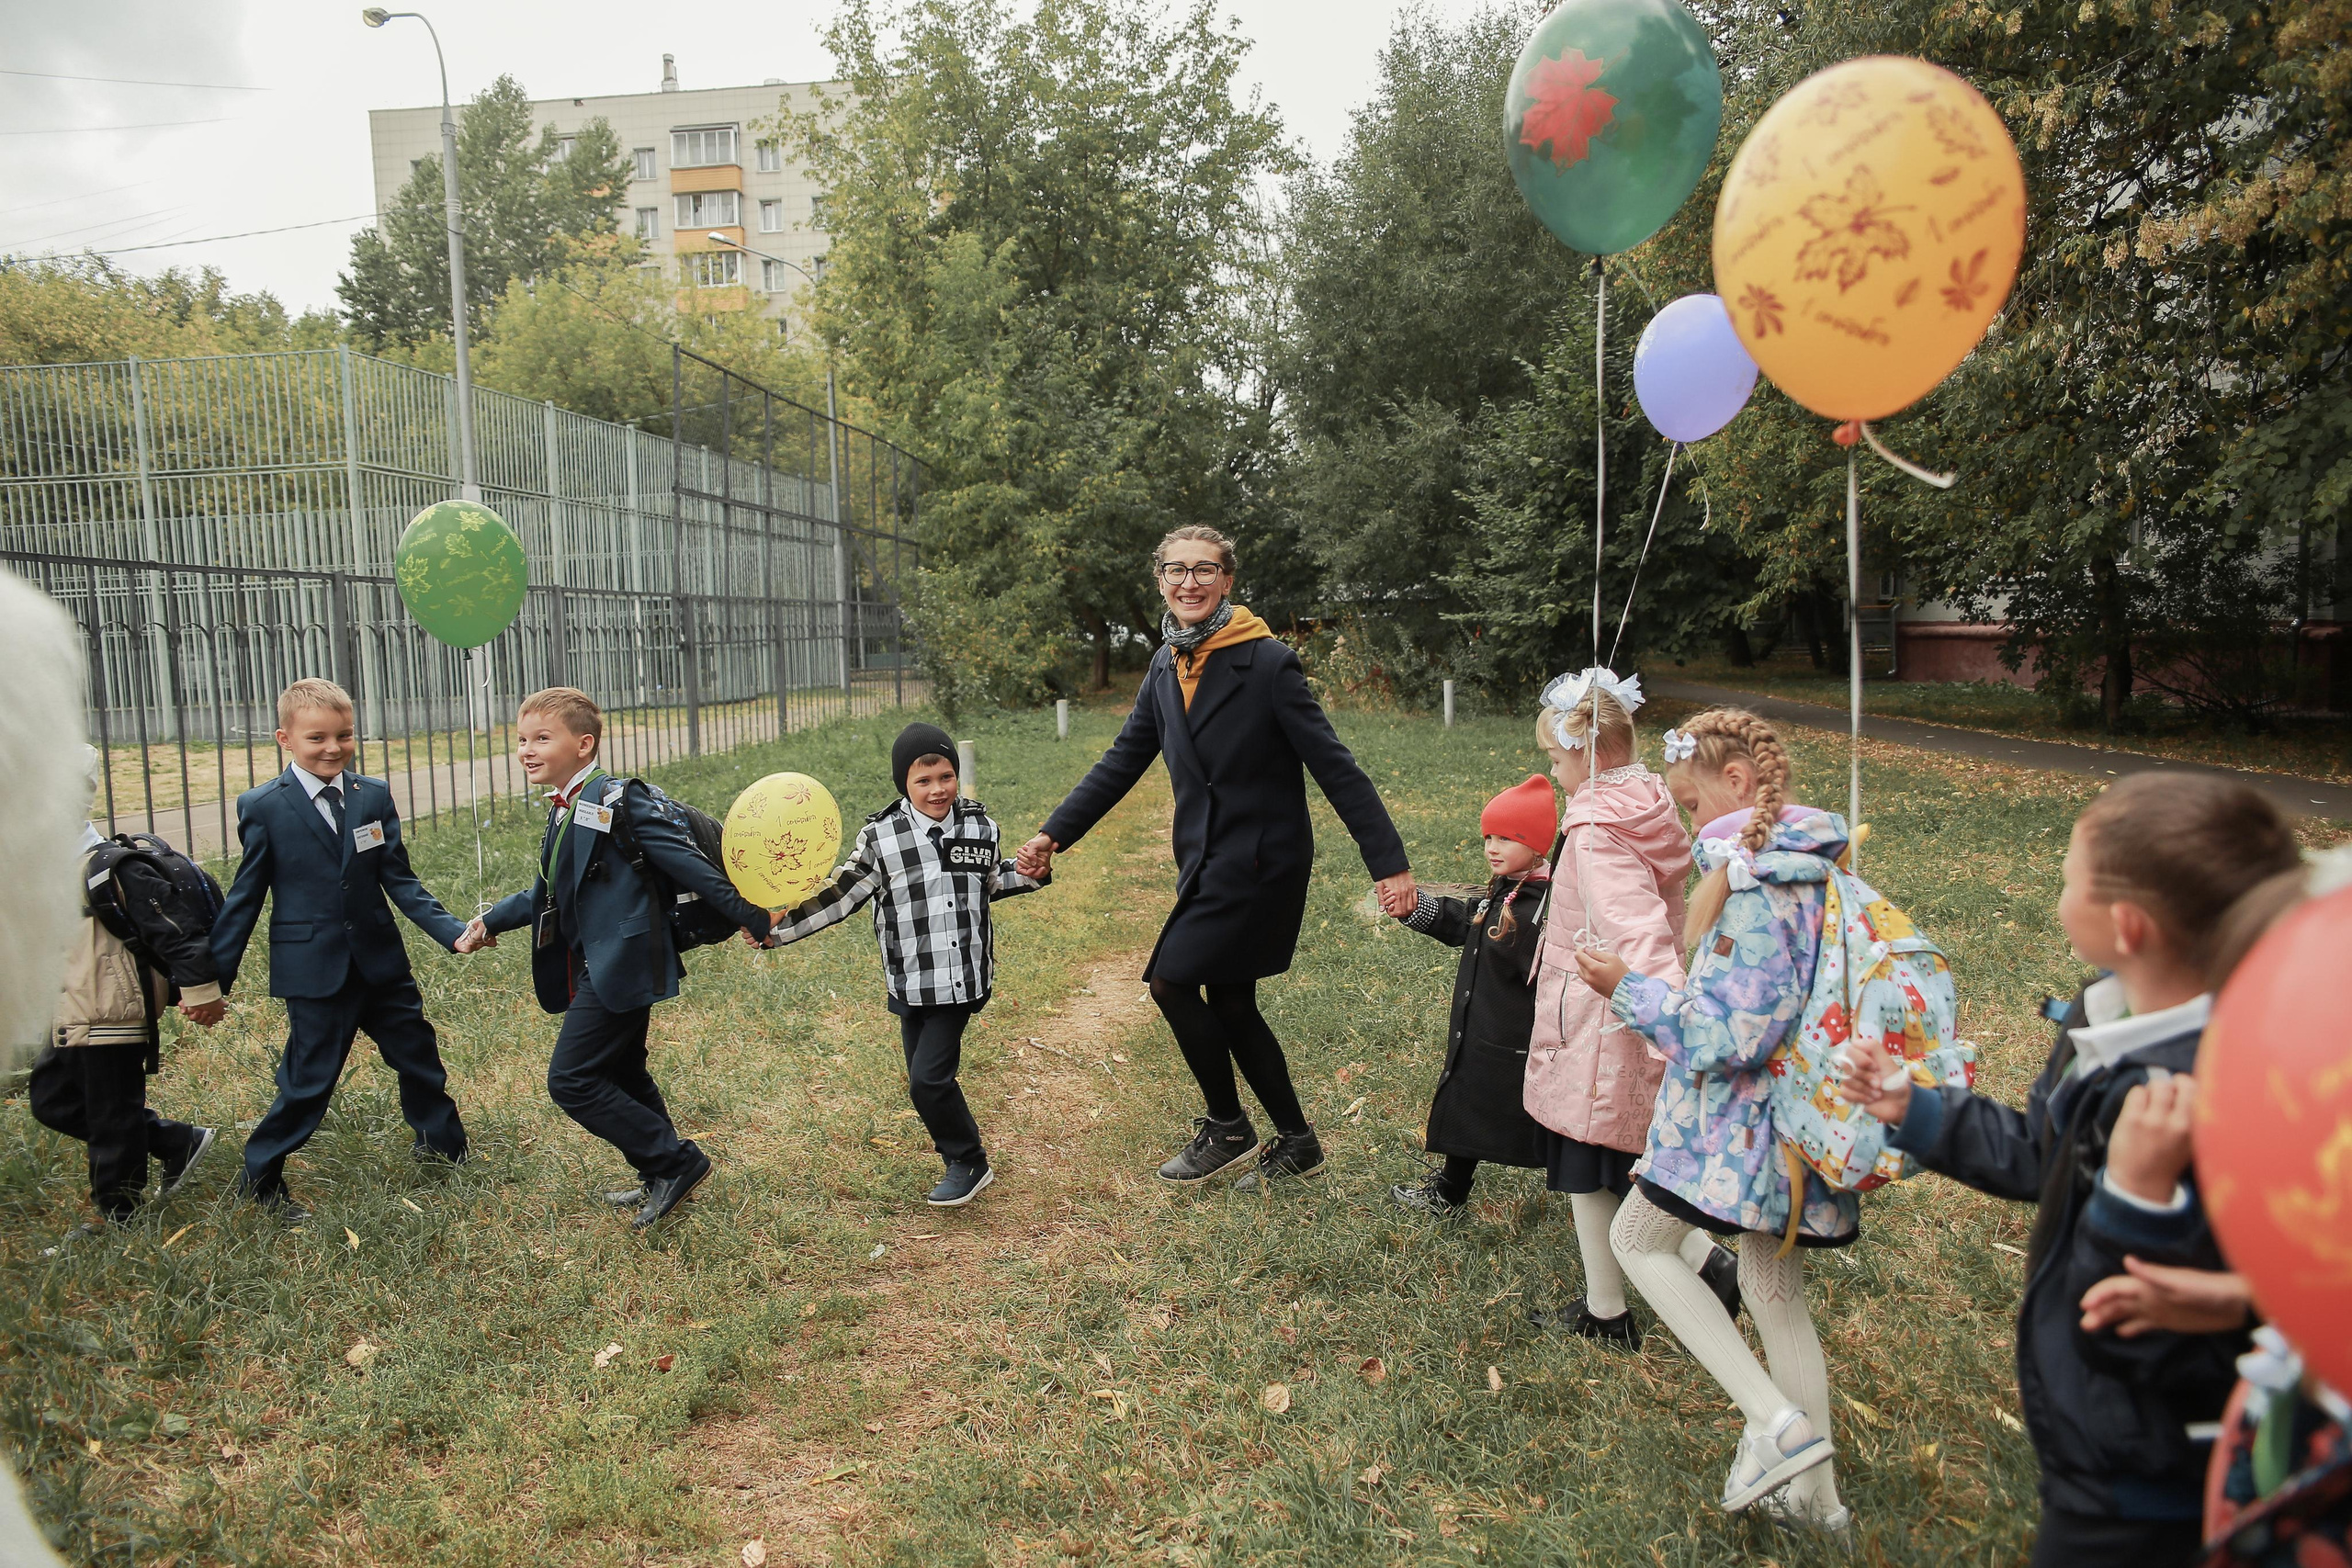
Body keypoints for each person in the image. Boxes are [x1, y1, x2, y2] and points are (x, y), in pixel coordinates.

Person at [1838, 772, 2302, 1567]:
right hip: (2098, 1439)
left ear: (2125, 923)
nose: (2058, 891)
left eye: (2066, 877)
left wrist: (2135, 1199)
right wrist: (1914, 1107)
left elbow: (2137, 1319)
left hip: (2147, 1470)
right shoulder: (2110, 1015)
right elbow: (2043, 1155)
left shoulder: (2194, 1097)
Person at [1016, 525, 1416, 1190]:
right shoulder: (1165, 663)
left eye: (1205, 570)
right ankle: (1298, 1140)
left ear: (1228, 579)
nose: (1189, 582)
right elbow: (1123, 758)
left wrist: (1389, 865)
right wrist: (1054, 833)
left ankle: (1228, 1124)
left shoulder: (1267, 662)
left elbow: (1335, 768)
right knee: (1230, 1000)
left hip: (1262, 862)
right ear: (1160, 582)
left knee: (1171, 981)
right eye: (1175, 570)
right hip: (1206, 859)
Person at [1571, 705, 1858, 1529]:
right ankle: (1817, 1503)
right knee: (1773, 1290)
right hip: (1795, 1132)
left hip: (1741, 1133)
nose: (1687, 820)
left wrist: (1626, 986)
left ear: (1737, 783)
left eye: (1690, 803)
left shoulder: (1761, 890)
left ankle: (1774, 1423)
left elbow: (1726, 1033)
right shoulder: (1815, 871)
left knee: (1637, 1240)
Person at [460, 687, 776, 1231]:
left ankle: (676, 1163)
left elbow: (689, 865)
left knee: (572, 1079)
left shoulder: (617, 800)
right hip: (595, 960)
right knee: (625, 1071)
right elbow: (545, 894)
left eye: (542, 738)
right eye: (521, 740)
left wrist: (753, 915)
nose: (527, 751)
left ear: (584, 745)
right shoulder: (564, 810)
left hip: (626, 959)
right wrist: (490, 921)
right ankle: (657, 1172)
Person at [211, 679, 472, 1224]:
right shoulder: (264, 806)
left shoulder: (371, 795)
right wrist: (212, 978)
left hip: (380, 961)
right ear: (285, 739)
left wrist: (452, 931)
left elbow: (399, 880)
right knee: (309, 1079)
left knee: (418, 1055)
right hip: (313, 969)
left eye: (345, 736)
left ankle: (443, 1148)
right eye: (318, 738)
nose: (333, 748)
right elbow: (246, 896)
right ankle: (261, 1178)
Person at [762, 722, 1047, 1207]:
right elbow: (842, 895)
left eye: (946, 776)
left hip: (960, 978)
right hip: (909, 977)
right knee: (924, 1079)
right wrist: (778, 929)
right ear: (904, 784)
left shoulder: (981, 827)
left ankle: (968, 1160)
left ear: (957, 775)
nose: (937, 789)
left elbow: (992, 883)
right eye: (923, 780)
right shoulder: (881, 836)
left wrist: (1030, 875)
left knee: (927, 1079)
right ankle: (961, 1155)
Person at [1521, 670, 1724, 1348]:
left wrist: (1677, 1026)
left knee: (1593, 1162)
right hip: (1605, 1014)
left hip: (1602, 1022)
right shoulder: (1642, 801)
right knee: (1598, 1163)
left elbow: (1636, 930)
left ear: (1588, 752)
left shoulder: (1600, 832)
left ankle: (1695, 1263)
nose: (1552, 773)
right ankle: (1606, 1307)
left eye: (1555, 759)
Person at [29, 748, 225, 1254]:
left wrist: (202, 993)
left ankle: (120, 1217)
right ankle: (174, 1141)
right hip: (70, 1012)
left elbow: (179, 936)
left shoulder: (113, 868)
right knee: (51, 1101)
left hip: (113, 1015)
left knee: (113, 1115)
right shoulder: (43, 868)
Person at [1386, 773, 1555, 1219]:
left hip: (1516, 1039)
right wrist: (1416, 909)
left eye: (1507, 837)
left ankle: (1600, 1187)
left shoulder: (1542, 909)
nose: (1492, 847)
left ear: (1538, 845)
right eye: (1488, 837)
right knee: (1466, 1102)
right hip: (1481, 1033)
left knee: (1548, 1121)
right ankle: (1450, 1190)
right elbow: (1467, 923)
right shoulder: (1504, 892)